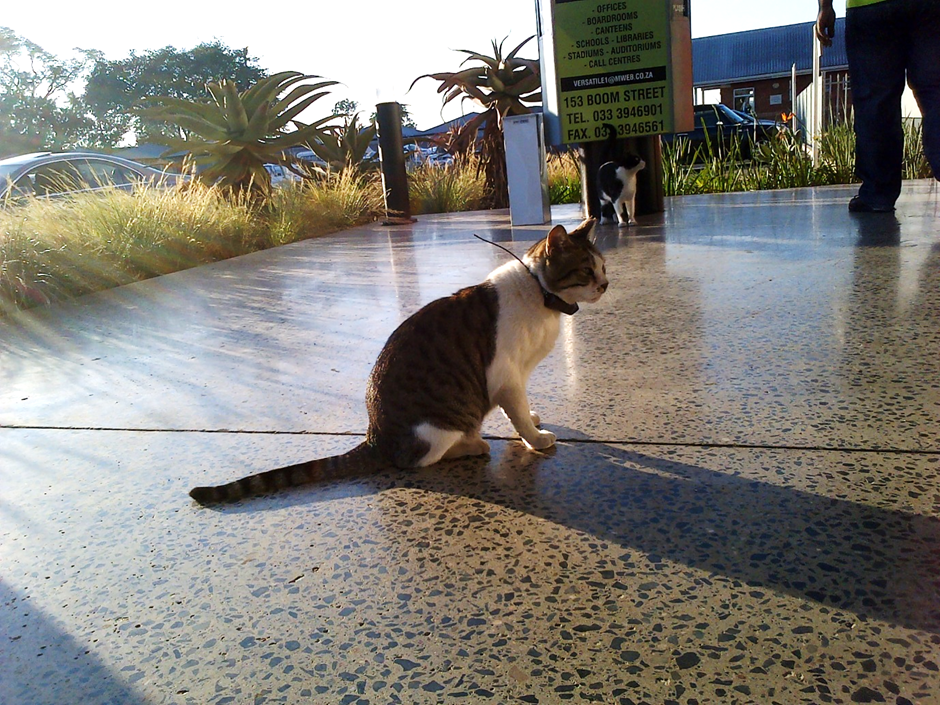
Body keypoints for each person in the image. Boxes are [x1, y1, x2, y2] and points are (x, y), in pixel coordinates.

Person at [816, 0, 940, 213]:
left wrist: (825, 7)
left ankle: (878, 194)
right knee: (936, 93)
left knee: (875, 101)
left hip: (869, 8)